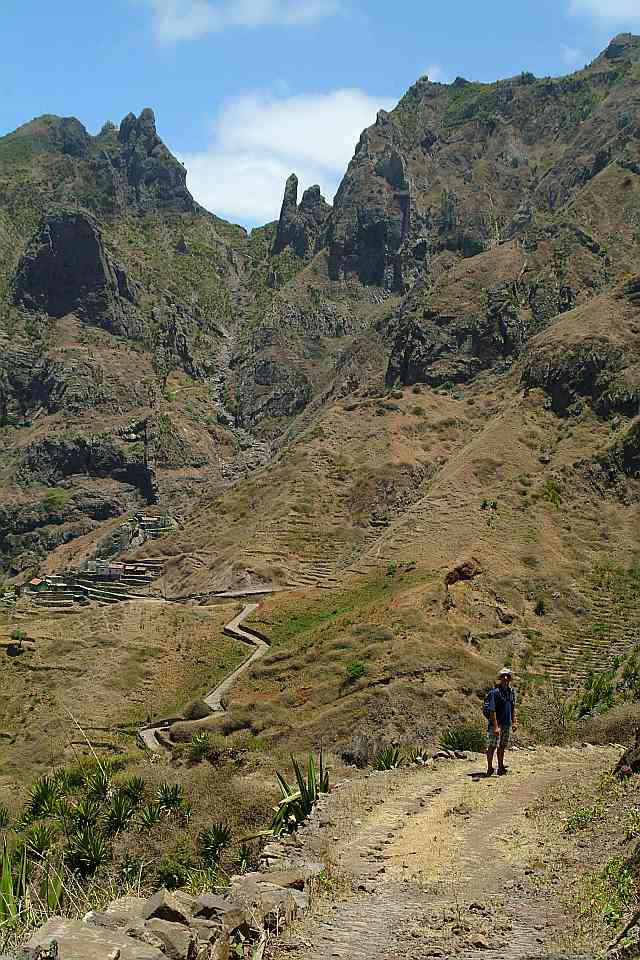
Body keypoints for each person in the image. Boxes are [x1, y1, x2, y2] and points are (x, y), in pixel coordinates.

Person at [486, 667, 517, 777]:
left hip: (506, 724)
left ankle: (500, 767)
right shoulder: (494, 693)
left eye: (508, 676)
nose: (505, 678)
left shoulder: (511, 692)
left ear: (510, 679)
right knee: (492, 746)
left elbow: (512, 707)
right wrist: (495, 726)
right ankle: (489, 768)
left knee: (502, 746)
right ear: (500, 678)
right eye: (503, 676)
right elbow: (492, 710)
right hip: (496, 725)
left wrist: (514, 722)